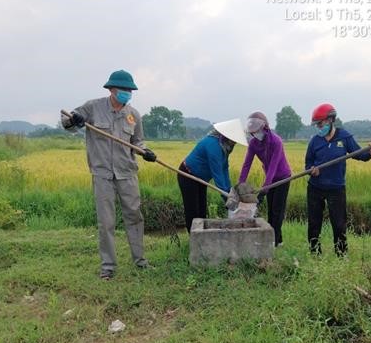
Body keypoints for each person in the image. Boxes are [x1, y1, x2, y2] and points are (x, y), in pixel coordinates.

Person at [61, 69, 157, 280]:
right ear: (112, 89)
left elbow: (138, 141)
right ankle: (108, 267)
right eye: (123, 89)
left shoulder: (133, 115)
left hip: (127, 173)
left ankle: (140, 261)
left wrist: (145, 151)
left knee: (134, 216)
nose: (127, 93)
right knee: (106, 222)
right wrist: (74, 119)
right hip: (102, 173)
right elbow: (67, 121)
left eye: (130, 90)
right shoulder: (93, 107)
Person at [305, 103, 371, 257]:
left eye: (321, 123)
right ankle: (314, 253)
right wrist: (312, 171)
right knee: (314, 223)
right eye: (317, 124)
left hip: (336, 188)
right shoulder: (315, 141)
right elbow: (308, 164)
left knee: (338, 224)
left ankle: (341, 254)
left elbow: (359, 155)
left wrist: (370, 152)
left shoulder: (344, 137)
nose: (319, 127)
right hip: (315, 188)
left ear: (331, 120)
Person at [178, 120, 248, 232]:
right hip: (188, 175)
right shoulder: (213, 145)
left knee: (202, 210)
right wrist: (227, 197)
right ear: (227, 136)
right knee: (193, 210)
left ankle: (202, 236)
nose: (234, 143)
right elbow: (217, 174)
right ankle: (194, 239)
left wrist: (230, 191)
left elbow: (224, 169)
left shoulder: (224, 147)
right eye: (234, 140)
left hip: (201, 179)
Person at [238, 111, 292, 247]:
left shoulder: (276, 142)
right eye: (252, 132)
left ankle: (273, 242)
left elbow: (273, 166)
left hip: (282, 178)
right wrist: (240, 185)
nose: (254, 134)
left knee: (277, 210)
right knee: (271, 209)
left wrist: (264, 188)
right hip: (270, 178)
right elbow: (246, 164)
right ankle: (278, 240)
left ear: (265, 128)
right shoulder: (254, 144)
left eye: (257, 131)